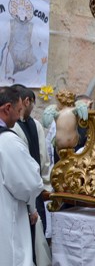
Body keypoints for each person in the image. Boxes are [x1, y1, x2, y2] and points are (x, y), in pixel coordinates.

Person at [0, 86, 44, 266]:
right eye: (18, 111)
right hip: (7, 216)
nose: (19, 117)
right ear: (6, 108)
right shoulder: (8, 142)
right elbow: (30, 183)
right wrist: (32, 207)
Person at [11, 85, 52, 266]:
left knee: (37, 230)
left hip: (36, 188)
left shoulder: (36, 125)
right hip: (21, 189)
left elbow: (44, 157)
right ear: (27, 101)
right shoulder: (12, 129)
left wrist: (45, 184)